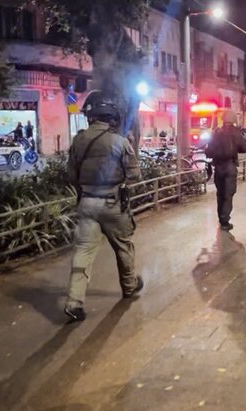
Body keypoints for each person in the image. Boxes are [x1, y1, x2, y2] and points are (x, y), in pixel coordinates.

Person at [64, 90, 142, 322]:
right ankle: (129, 286)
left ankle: (74, 302)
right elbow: (135, 175)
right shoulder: (120, 142)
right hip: (112, 204)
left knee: (83, 251)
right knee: (123, 246)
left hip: (86, 203)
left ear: (89, 115)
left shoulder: (78, 141)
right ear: (111, 116)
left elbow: (70, 176)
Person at [205, 110, 246, 231]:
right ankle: (225, 221)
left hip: (218, 168)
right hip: (230, 167)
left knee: (220, 193)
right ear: (233, 120)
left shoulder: (216, 133)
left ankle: (221, 218)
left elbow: (208, 150)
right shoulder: (235, 133)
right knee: (228, 194)